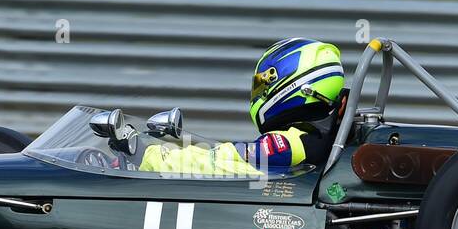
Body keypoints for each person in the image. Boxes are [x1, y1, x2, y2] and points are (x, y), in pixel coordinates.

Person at [138, 38, 346, 176]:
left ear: (290, 84)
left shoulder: (292, 142)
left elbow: (219, 162)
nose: (258, 91)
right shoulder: (317, 136)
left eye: (263, 83)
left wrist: (151, 156)